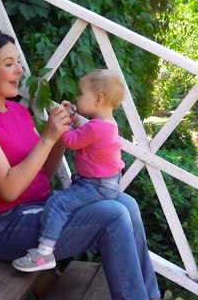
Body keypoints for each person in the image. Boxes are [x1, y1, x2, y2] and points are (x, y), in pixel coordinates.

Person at [0, 31, 193, 300]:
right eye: (9, 63)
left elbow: (42, 175)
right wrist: (48, 136)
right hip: (4, 225)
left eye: (18, 62)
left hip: (38, 209)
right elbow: (8, 189)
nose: (19, 69)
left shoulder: (19, 114)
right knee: (111, 214)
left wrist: (60, 140)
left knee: (127, 205)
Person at [12, 69, 126, 272]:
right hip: (108, 183)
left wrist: (58, 126)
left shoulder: (95, 128)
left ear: (98, 99)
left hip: (95, 185)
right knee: (65, 203)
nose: (77, 98)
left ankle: (44, 253)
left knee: (57, 204)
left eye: (81, 94)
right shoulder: (106, 124)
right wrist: (72, 116)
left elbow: (72, 141)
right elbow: (83, 133)